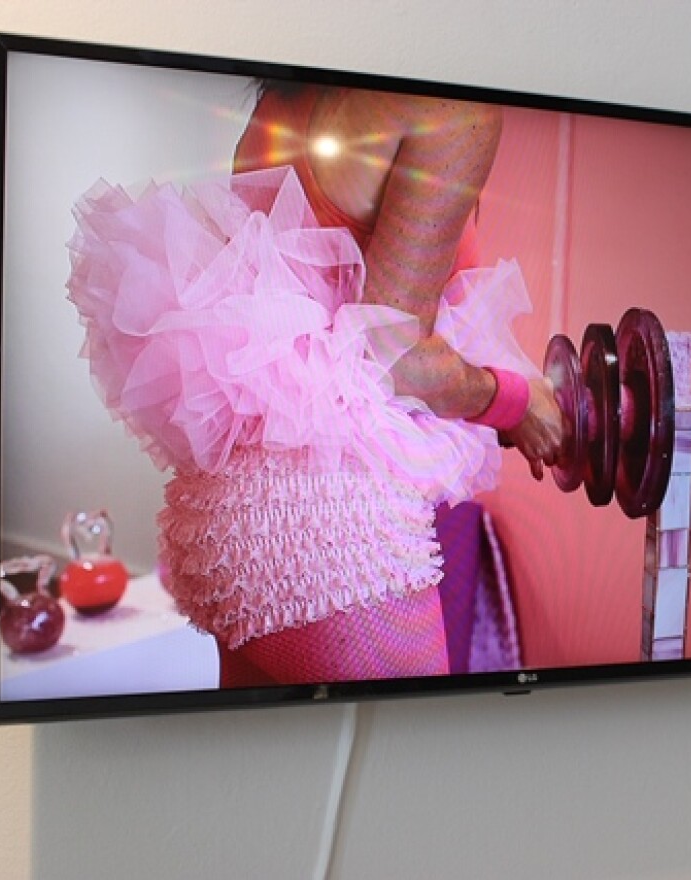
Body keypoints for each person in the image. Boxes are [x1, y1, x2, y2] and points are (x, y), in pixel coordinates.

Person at [67, 82, 563, 686]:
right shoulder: (453, 107)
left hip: (219, 529)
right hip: (329, 536)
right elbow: (396, 355)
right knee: (411, 771)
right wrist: (511, 401)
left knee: (263, 778)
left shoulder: (282, 92)